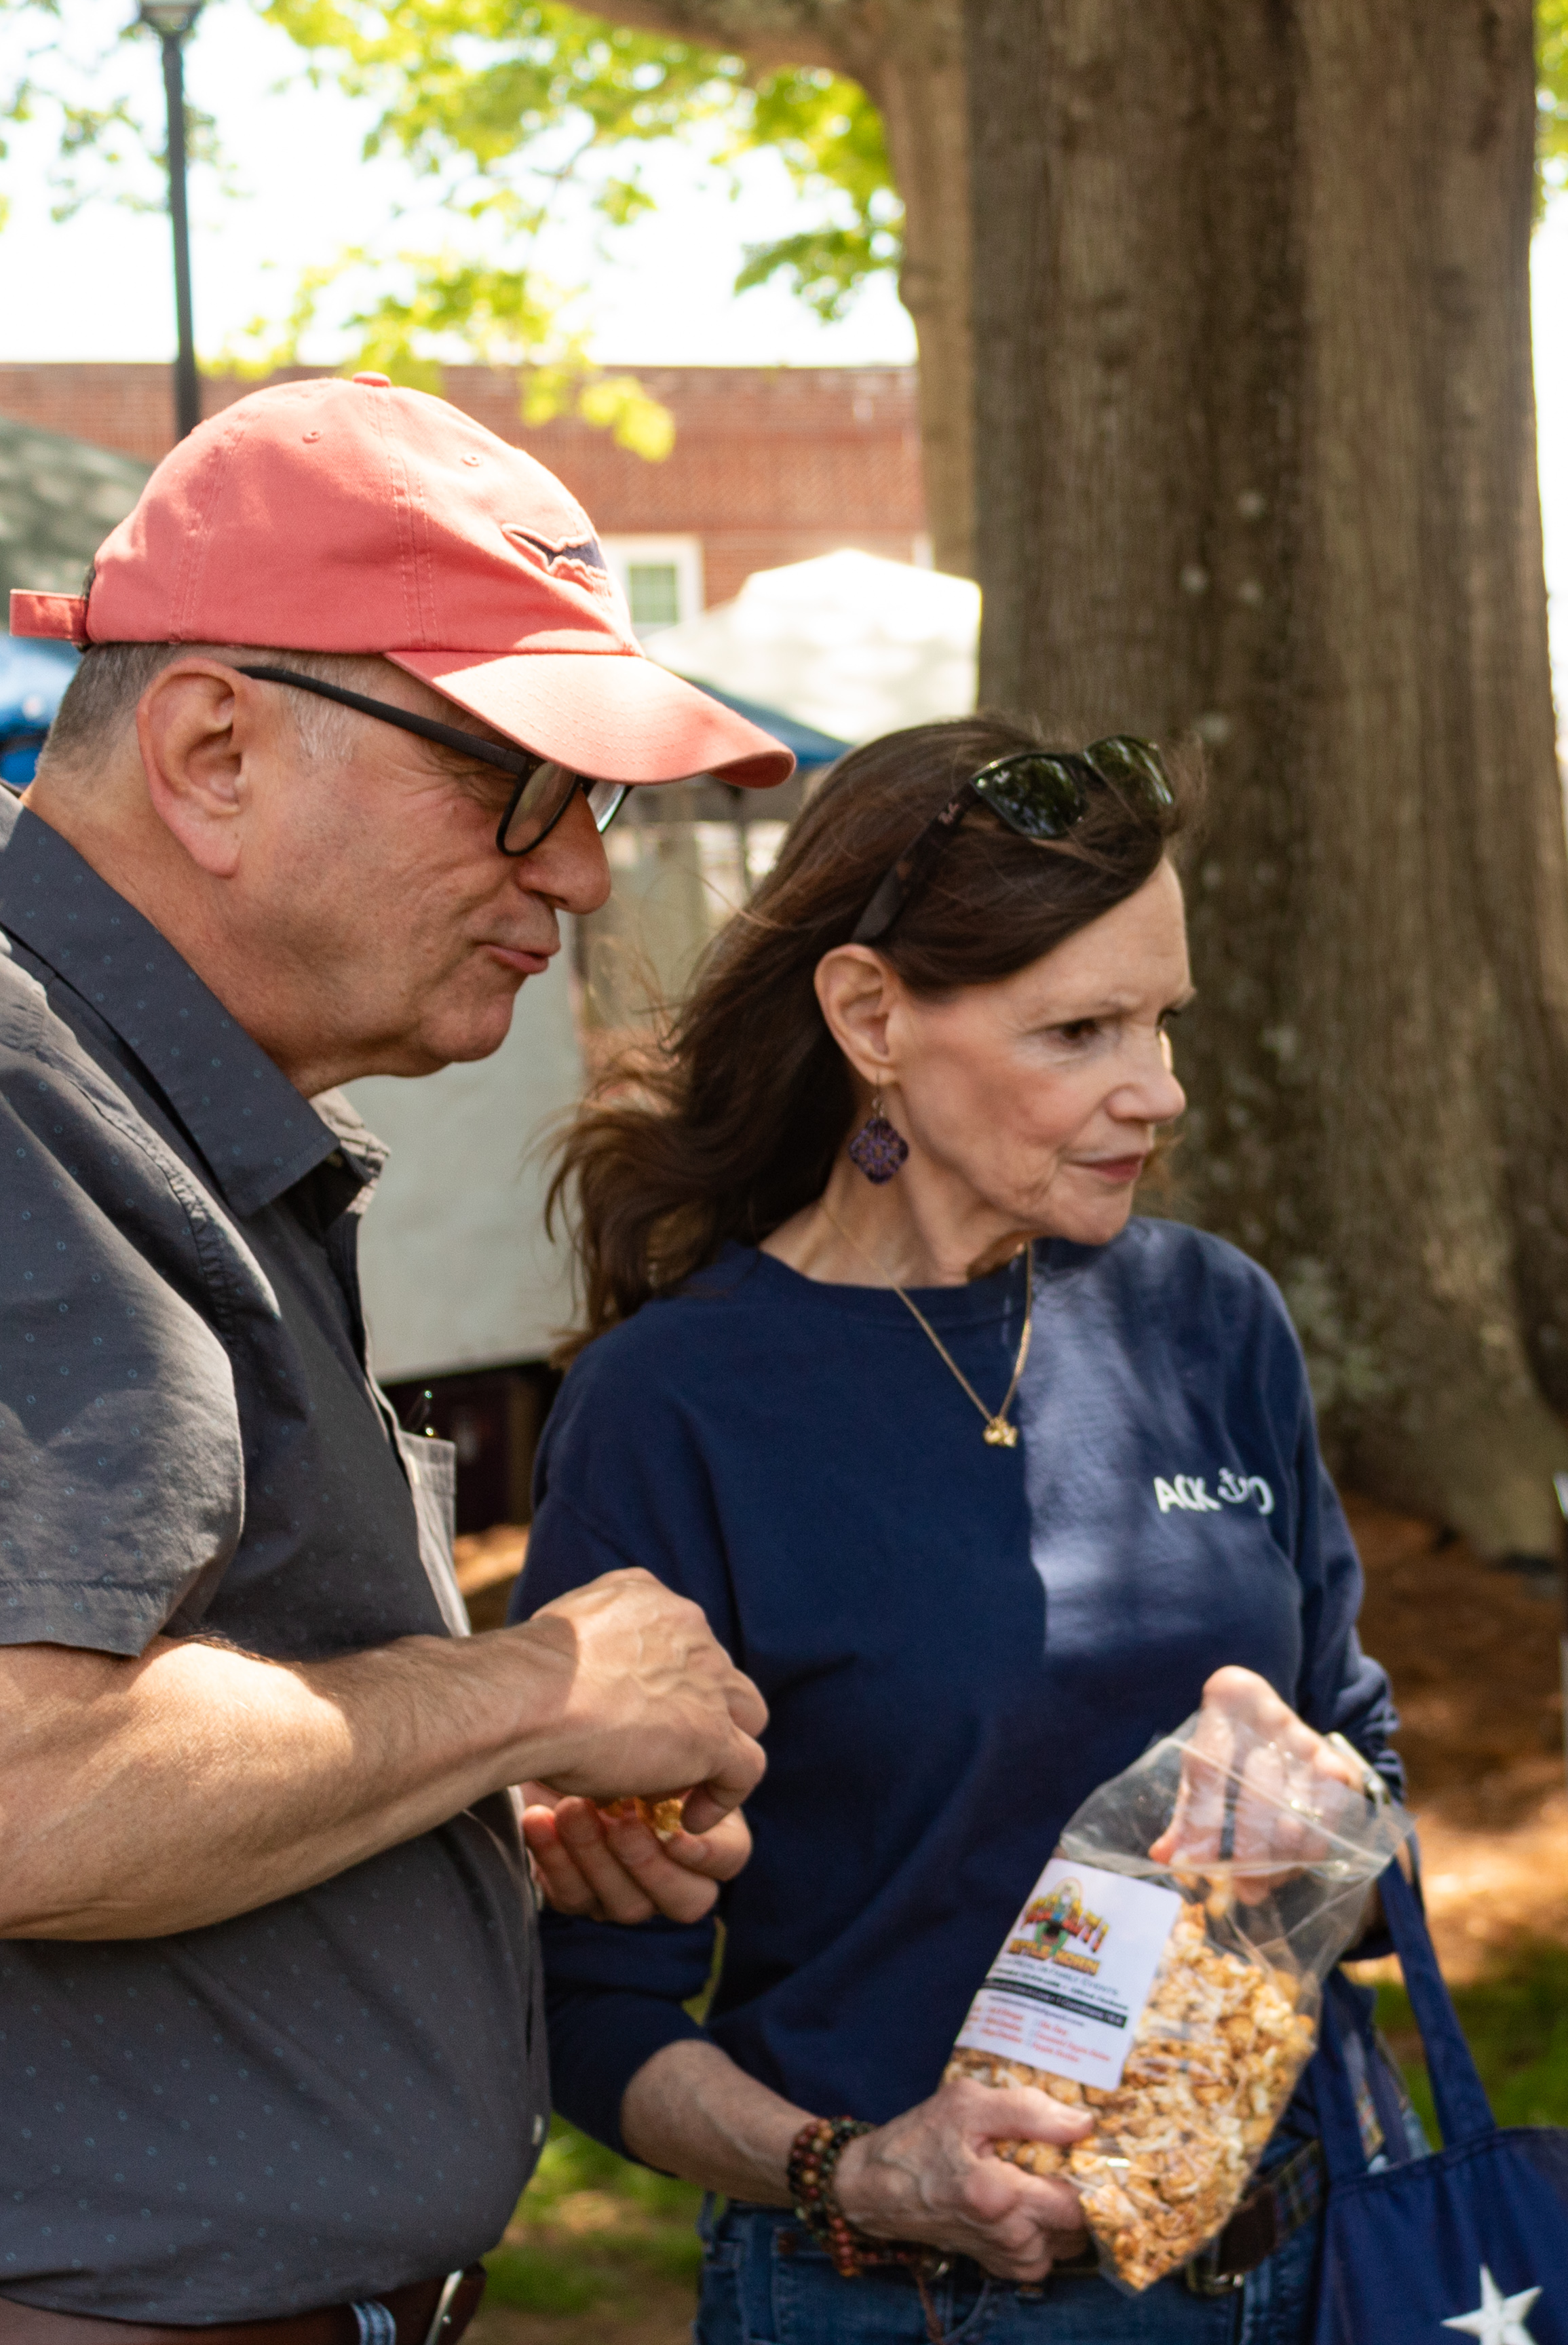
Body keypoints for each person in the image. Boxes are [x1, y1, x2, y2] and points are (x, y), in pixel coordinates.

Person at [0, 375, 784, 2342]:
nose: (583, 874)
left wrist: (423, 1818)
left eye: (596, 804)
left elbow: (96, 1730)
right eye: (521, 782)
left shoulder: (52, 1069)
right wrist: (533, 1689)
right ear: (210, 745)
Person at [513, 719, 1400, 2342]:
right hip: (901, 2299)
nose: (1161, 1087)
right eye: (1081, 1028)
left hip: (1299, 2255)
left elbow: (1358, 1752)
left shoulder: (1212, 1318)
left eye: (1162, 1018)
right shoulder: (675, 1408)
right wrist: (854, 2167)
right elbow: (587, 2004)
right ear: (869, 1017)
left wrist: (1317, 1817)